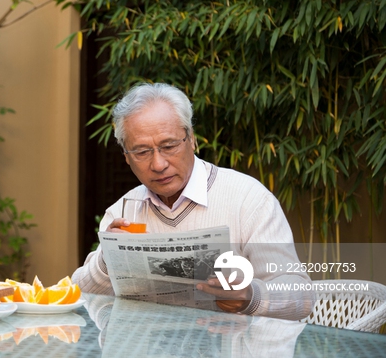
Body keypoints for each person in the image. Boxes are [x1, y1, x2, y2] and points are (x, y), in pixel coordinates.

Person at [72, 82, 314, 320]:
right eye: (142, 152)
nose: (158, 164)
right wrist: (107, 261)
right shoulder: (122, 212)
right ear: (126, 157)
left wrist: (251, 296)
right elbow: (78, 295)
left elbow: (301, 297)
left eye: (169, 146)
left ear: (192, 140)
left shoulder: (249, 199)